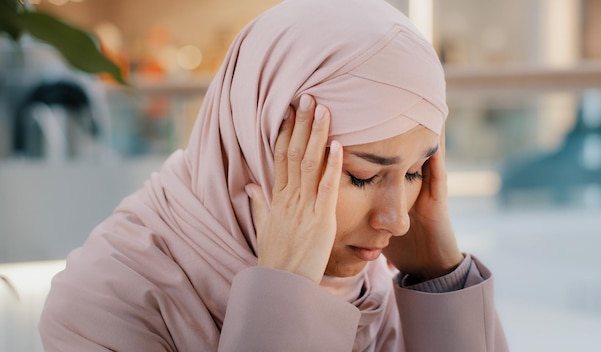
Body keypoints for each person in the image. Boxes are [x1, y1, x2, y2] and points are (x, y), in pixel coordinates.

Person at [39, 0, 508, 350]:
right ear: (259, 146)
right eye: (363, 176)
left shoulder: (377, 286)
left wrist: (440, 276)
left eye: (415, 171)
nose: (398, 220)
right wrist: (283, 297)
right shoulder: (103, 302)